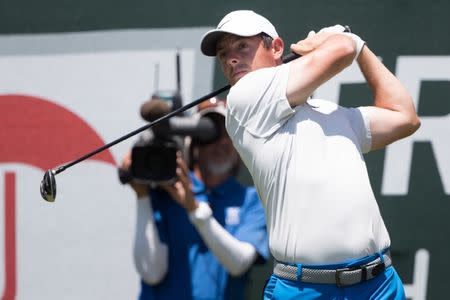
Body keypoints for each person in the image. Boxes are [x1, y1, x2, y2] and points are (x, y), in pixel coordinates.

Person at [200, 10, 420, 299]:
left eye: (242, 46)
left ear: (276, 48)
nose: (230, 58)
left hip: (378, 285)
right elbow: (340, 51)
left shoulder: (329, 113)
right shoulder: (243, 100)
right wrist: (340, 40)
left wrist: (360, 46)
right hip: (305, 290)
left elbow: (404, 117)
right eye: (223, 54)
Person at [120, 97, 269, 300]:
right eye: (212, 132)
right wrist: (142, 196)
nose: (222, 141)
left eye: (230, 132)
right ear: (194, 143)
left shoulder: (252, 200)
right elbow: (151, 272)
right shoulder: (166, 185)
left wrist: (194, 209)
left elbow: (238, 264)